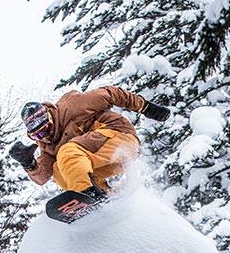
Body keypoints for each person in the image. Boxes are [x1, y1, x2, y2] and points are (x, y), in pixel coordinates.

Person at [9, 86, 171, 205]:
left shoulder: (72, 106)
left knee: (67, 152)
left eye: (46, 129)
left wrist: (146, 107)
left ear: (50, 116)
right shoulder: (47, 144)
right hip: (108, 160)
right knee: (59, 170)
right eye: (38, 135)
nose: (45, 136)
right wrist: (28, 163)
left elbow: (110, 94)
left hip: (119, 137)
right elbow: (43, 176)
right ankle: (104, 197)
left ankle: (87, 194)